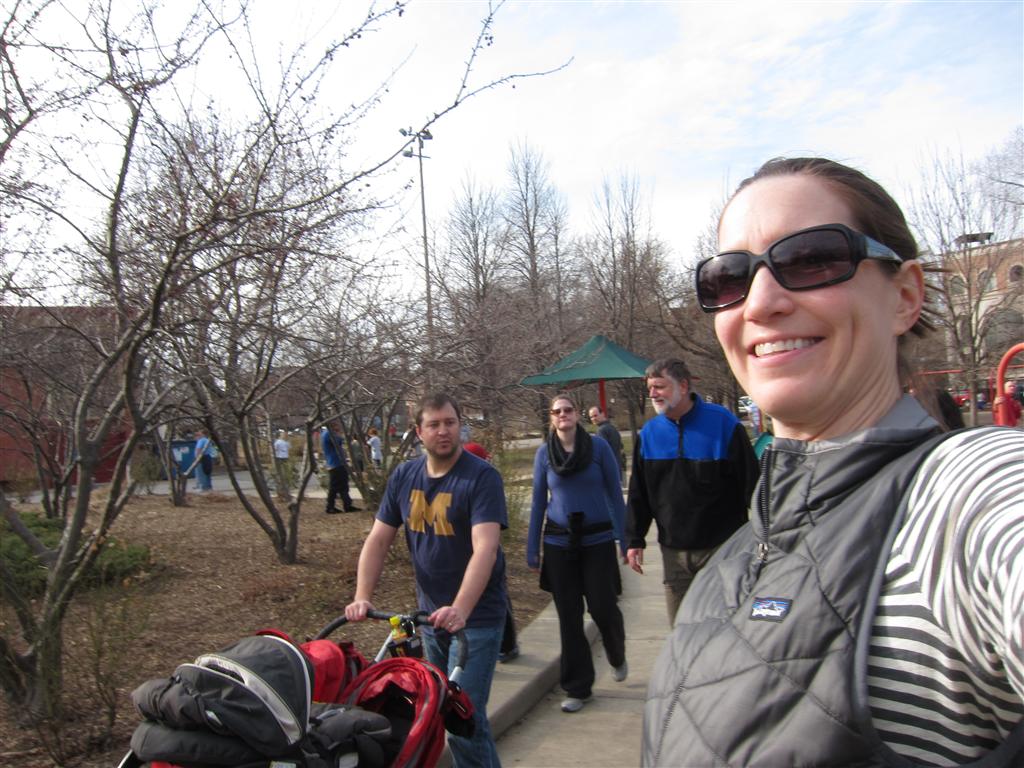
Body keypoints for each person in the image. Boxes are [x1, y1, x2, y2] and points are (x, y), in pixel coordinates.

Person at [643, 157, 1024, 766]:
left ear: (904, 296)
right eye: (728, 278)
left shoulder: (962, 496)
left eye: (811, 259)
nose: (761, 303)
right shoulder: (737, 560)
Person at [345, 393, 508, 768]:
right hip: (430, 616)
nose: (443, 431)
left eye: (450, 422)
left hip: (477, 617)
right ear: (419, 432)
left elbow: (485, 548)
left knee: (463, 719)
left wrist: (461, 609)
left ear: (460, 425)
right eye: (434, 425)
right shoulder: (405, 476)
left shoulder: (481, 477)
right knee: (440, 711)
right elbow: (379, 539)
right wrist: (362, 596)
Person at [625, 358, 759, 626]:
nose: (653, 394)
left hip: (723, 549)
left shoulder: (723, 424)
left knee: (724, 626)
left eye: (660, 386)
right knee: (681, 630)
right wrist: (634, 539)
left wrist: (765, 536)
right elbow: (640, 493)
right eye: (650, 388)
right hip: (674, 551)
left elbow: (753, 486)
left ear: (683, 386)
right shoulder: (649, 434)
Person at [529, 394, 628, 713]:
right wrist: (532, 548)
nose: (563, 415)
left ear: (577, 414)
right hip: (559, 543)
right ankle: (577, 688)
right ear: (551, 417)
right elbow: (538, 502)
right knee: (569, 618)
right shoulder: (544, 453)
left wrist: (626, 539)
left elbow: (614, 494)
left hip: (597, 540)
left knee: (603, 607)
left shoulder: (598, 447)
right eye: (557, 411)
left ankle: (616, 652)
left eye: (568, 409)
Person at [463, 440, 520, 663]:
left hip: (487, 549)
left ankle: (508, 645)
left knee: (498, 597)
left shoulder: (485, 481)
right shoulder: (464, 482)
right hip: (467, 551)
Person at [321, 421, 359, 514]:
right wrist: (339, 433)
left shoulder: (329, 433)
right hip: (335, 463)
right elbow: (339, 440)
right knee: (334, 487)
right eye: (337, 425)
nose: (338, 427)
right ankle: (330, 507)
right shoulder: (328, 434)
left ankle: (347, 504)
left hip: (340, 463)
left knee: (344, 485)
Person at [587, 405, 626, 483]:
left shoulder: (601, 430)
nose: (593, 419)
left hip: (609, 471)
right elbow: (620, 447)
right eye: (591, 417)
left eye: (595, 415)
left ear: (602, 414)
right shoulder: (612, 427)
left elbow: (601, 453)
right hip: (618, 467)